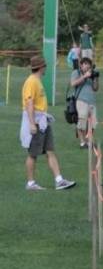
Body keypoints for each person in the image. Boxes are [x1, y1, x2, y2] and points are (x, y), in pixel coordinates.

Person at [20, 56, 76, 191]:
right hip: (36, 121)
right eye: (44, 65)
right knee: (33, 154)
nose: (46, 67)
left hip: (43, 121)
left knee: (50, 151)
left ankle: (59, 181)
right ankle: (31, 183)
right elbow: (29, 103)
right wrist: (33, 124)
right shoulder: (31, 81)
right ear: (40, 67)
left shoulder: (37, 81)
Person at [70, 57, 99, 148]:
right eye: (85, 64)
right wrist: (84, 76)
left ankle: (89, 140)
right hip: (81, 100)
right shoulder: (76, 72)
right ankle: (82, 142)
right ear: (81, 65)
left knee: (93, 123)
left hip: (92, 101)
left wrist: (95, 78)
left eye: (88, 65)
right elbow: (73, 84)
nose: (87, 66)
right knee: (82, 120)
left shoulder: (91, 74)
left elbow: (95, 89)